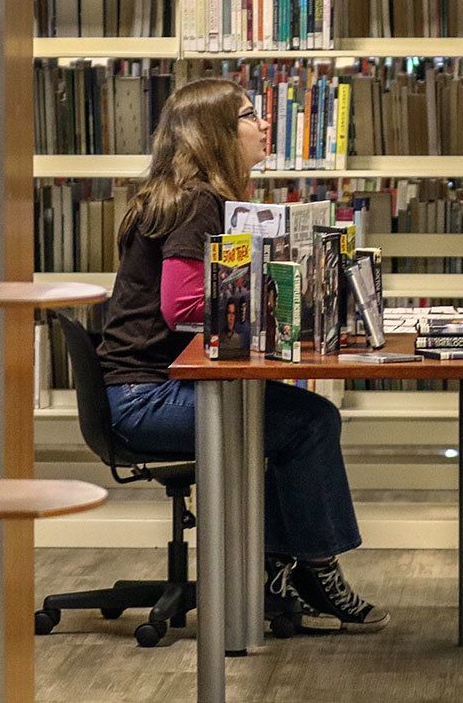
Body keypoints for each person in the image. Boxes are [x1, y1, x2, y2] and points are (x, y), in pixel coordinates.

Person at [97, 78, 389, 634]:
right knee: (307, 423)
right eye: (251, 115)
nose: (263, 125)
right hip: (146, 397)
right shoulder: (196, 201)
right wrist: (282, 308)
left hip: (148, 388)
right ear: (215, 134)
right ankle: (313, 571)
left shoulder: (187, 195)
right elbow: (183, 305)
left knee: (294, 421)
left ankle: (281, 572)